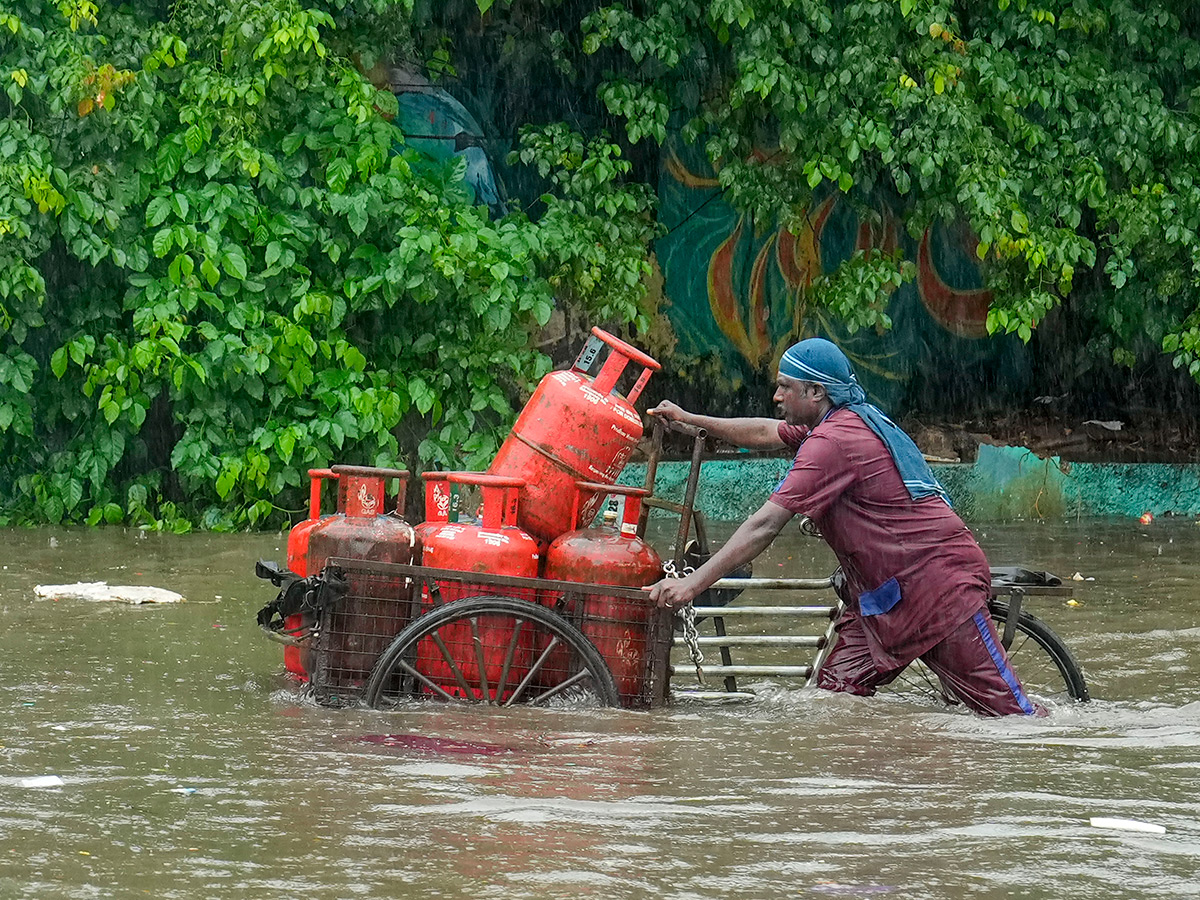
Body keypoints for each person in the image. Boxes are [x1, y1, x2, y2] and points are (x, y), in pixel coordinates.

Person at [645, 337, 1041, 716]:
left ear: (815, 392)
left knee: (1012, 717)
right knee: (834, 699)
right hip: (884, 598)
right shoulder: (838, 422)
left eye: (785, 387)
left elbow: (764, 525)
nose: (777, 397)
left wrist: (693, 584)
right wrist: (690, 419)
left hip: (937, 588)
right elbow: (765, 431)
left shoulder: (833, 441)